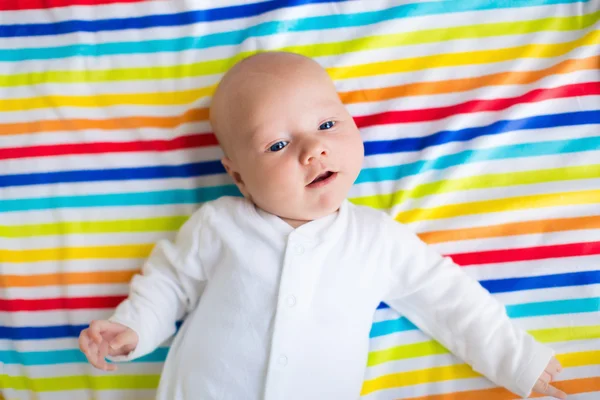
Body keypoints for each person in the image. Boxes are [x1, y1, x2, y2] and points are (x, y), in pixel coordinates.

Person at [79, 52, 567, 400]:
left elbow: (451, 299)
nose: (312, 150)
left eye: (328, 126)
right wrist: (133, 328)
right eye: (276, 145)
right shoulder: (220, 225)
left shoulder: (376, 238)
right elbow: (168, 284)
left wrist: (516, 359)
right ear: (238, 176)